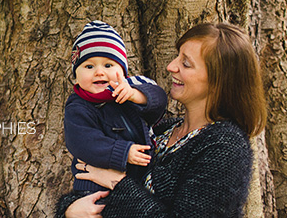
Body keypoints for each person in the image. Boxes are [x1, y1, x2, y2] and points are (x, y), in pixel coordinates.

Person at [56, 22, 267, 218]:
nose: (171, 66)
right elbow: (89, 186)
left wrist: (118, 183)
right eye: (177, 57)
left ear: (218, 80)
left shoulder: (224, 147)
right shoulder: (159, 131)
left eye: (186, 63)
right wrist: (69, 211)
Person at [65, 21, 167, 196]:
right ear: (76, 74)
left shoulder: (130, 88)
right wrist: (123, 152)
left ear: (123, 70)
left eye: (108, 65)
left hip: (140, 180)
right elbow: (82, 142)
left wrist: (135, 95)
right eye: (89, 66)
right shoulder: (78, 106)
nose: (99, 72)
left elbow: (159, 100)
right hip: (95, 187)